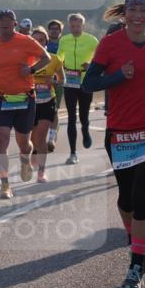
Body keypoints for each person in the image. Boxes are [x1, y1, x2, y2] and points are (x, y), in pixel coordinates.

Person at [82, 0, 145, 288]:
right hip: (120, 130)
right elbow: (89, 83)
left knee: (142, 194)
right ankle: (136, 242)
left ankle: (137, 263)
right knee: (125, 200)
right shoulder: (110, 44)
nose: (138, 16)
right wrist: (117, 76)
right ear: (125, 13)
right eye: (133, 10)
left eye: (143, 11)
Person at [0, 10, 50, 199]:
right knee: (2, 138)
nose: (5, 26)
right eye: (2, 23)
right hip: (2, 98)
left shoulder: (26, 41)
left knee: (24, 143)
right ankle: (5, 185)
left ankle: (25, 159)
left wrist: (31, 69)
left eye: (9, 23)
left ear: (14, 24)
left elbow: (46, 58)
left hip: (24, 98)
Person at [56, 13, 99, 164]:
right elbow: (59, 58)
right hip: (70, 82)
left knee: (83, 116)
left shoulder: (91, 40)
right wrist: (58, 71)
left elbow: (101, 58)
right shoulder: (64, 40)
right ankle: (73, 153)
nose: (75, 29)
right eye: (72, 26)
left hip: (85, 81)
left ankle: (85, 130)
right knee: (71, 118)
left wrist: (91, 64)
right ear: (69, 26)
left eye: (78, 26)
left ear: (83, 26)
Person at [30, 27, 63, 183]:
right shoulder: (25, 60)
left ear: (46, 42)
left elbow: (62, 80)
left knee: (41, 136)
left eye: (41, 40)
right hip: (29, 102)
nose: (38, 42)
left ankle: (41, 172)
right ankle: (33, 155)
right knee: (31, 138)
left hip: (47, 101)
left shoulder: (54, 59)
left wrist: (54, 81)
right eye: (35, 39)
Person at [45, 19, 64, 153]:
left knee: (55, 110)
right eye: (51, 28)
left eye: (56, 28)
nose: (54, 30)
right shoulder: (43, 44)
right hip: (42, 81)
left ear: (60, 31)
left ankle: (52, 138)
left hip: (58, 81)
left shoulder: (64, 44)